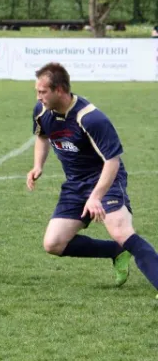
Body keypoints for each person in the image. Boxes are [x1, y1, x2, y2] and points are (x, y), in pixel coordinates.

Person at [28, 62, 158, 297]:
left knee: (121, 231)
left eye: (42, 91)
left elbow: (112, 161)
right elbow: (42, 137)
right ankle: (117, 251)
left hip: (105, 179)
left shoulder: (91, 119)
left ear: (59, 90)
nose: (38, 97)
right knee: (53, 244)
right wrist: (38, 165)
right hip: (75, 184)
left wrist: (96, 197)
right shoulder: (41, 111)